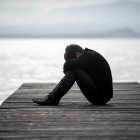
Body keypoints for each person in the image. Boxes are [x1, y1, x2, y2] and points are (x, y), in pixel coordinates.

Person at [32, 44, 113, 105]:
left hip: (100, 99)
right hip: (101, 97)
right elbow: (69, 65)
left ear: (78, 54)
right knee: (74, 69)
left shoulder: (89, 56)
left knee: (74, 70)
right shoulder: (90, 56)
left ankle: (52, 99)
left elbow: (67, 65)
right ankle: (52, 98)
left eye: (72, 59)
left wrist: (69, 67)